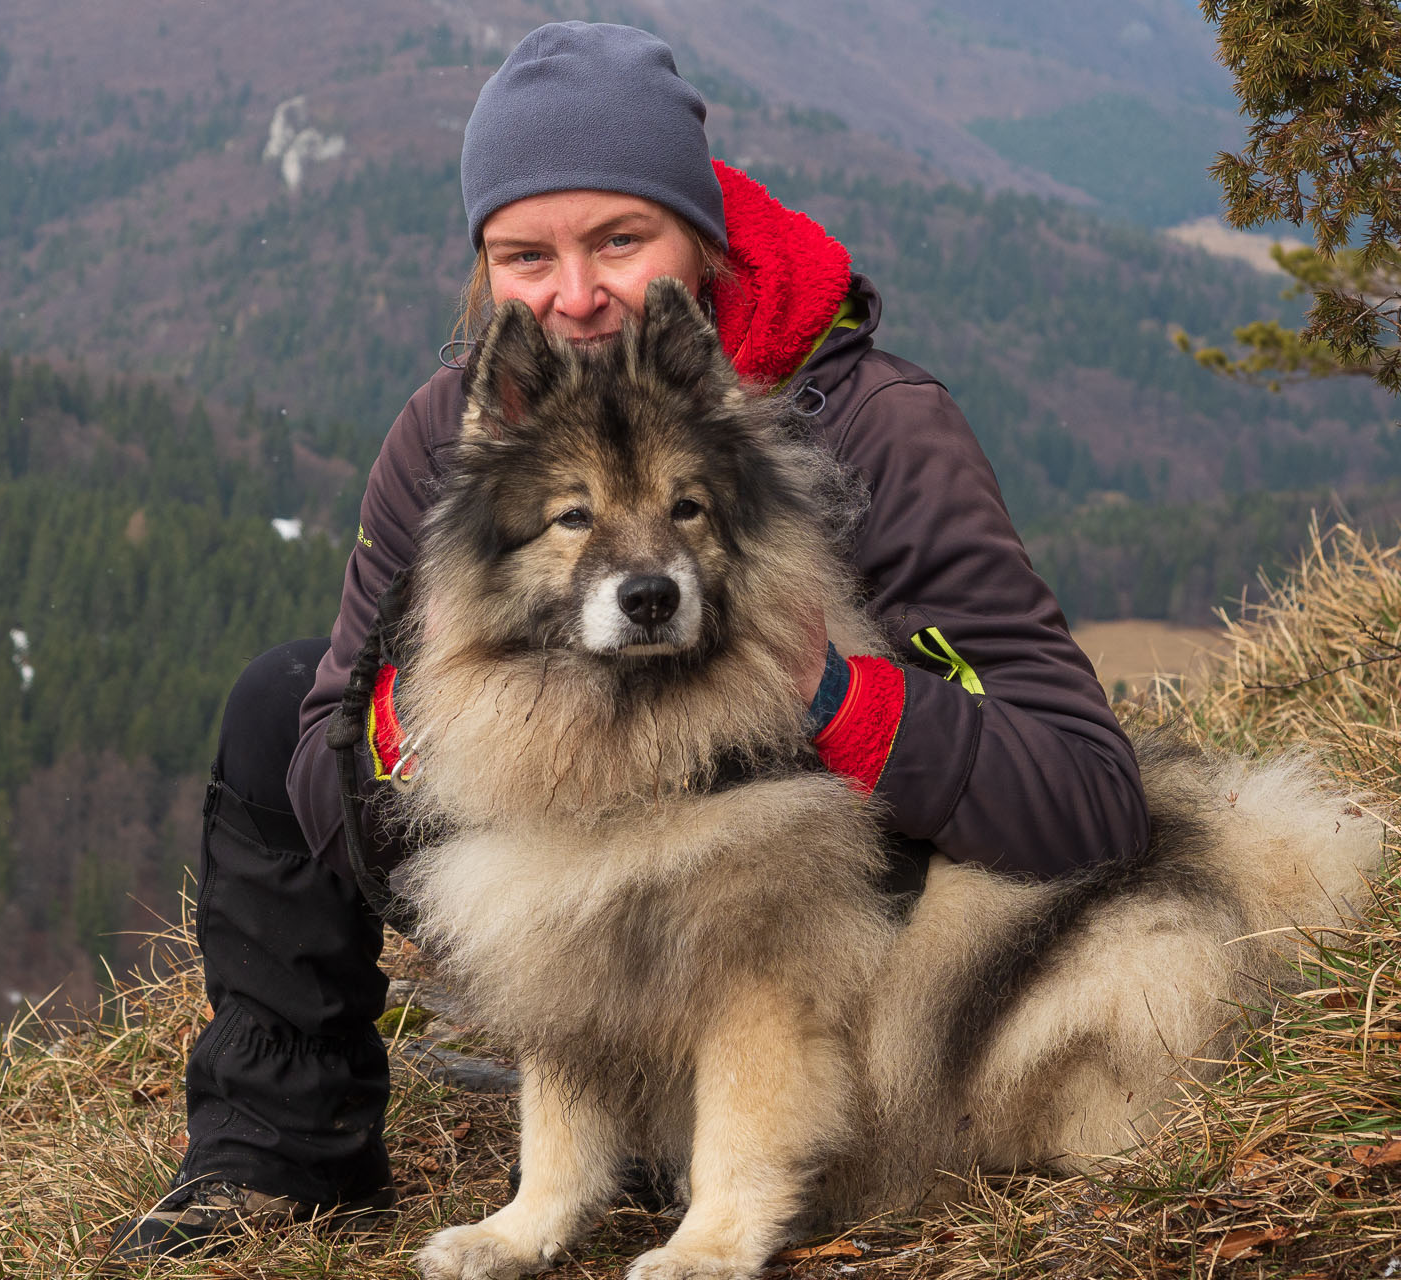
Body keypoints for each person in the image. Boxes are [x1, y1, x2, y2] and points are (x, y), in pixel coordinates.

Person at [107, 19, 1148, 1263]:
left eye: (619, 238)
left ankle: (745, 1137)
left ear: (699, 243)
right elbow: (341, 757)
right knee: (284, 704)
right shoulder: (457, 427)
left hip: (849, 913)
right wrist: (436, 739)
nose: (575, 292)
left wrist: (836, 697)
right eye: (524, 253)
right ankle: (273, 1154)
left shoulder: (873, 420)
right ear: (485, 268)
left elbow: (1090, 799)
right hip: (575, 890)